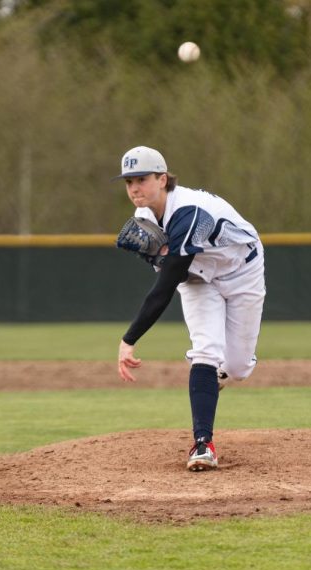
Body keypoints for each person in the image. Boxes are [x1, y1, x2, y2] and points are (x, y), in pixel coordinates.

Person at [114, 146, 266, 471]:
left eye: (141, 179)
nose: (134, 188)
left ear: (162, 178)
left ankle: (216, 377)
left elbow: (165, 285)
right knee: (206, 351)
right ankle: (203, 445)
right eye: (129, 182)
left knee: (238, 367)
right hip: (198, 278)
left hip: (242, 269)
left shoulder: (190, 212)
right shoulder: (144, 218)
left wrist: (129, 338)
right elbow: (173, 272)